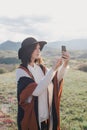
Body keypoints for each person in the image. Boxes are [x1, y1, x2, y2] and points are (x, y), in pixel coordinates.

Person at [16, 37, 70, 130]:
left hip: (46, 119)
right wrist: (53, 69)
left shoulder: (41, 68)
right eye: (35, 48)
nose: (39, 50)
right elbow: (36, 91)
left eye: (39, 48)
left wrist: (65, 64)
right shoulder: (21, 71)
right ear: (28, 51)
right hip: (32, 120)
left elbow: (56, 79)